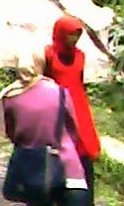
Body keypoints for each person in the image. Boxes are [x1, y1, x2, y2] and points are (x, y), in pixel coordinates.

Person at [1, 52, 89, 204]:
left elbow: (12, 134)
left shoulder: (10, 97)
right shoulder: (60, 92)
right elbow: (73, 130)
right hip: (69, 170)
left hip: (36, 175)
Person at [45, 16, 100, 204]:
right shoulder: (49, 55)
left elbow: (79, 81)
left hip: (77, 106)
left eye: (77, 35)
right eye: (70, 35)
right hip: (56, 106)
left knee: (83, 150)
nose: (74, 39)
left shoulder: (80, 55)